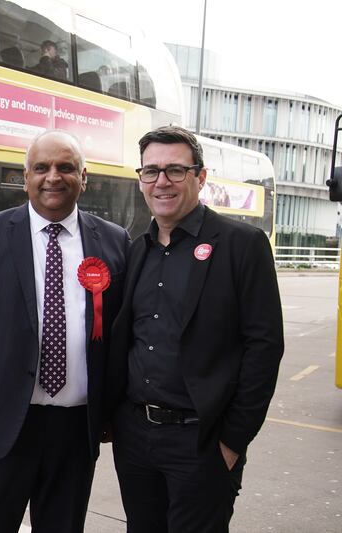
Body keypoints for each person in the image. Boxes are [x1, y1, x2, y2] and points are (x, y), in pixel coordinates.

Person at [0, 130, 130, 532]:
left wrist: (111, 408)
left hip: (76, 428)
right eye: (42, 168)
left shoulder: (113, 240)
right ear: (26, 177)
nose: (53, 177)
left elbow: (122, 333)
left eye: (65, 167)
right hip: (0, 420)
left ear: (84, 177)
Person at [106, 125, 284, 533]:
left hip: (201, 442)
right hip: (136, 439)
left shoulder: (243, 245)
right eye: (150, 171)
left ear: (200, 178)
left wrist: (233, 441)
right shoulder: (137, 249)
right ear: (140, 180)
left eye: (175, 170)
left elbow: (265, 347)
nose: (161, 181)